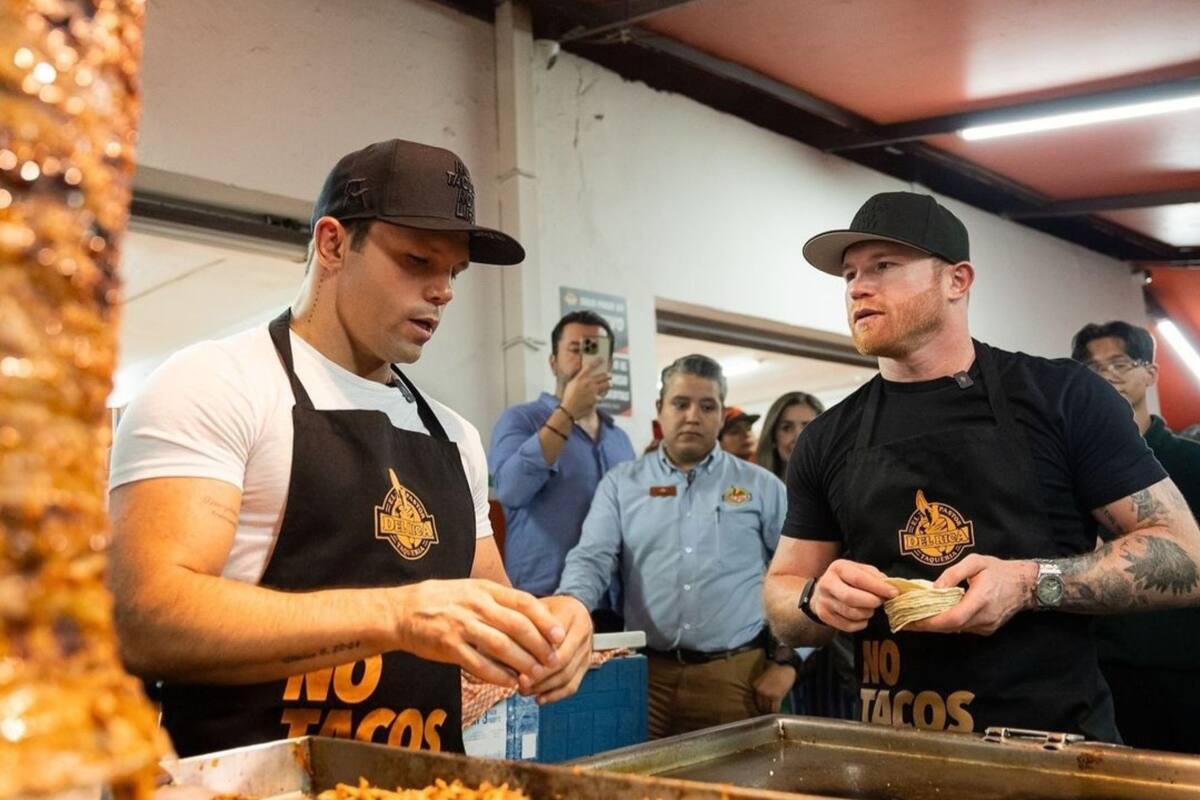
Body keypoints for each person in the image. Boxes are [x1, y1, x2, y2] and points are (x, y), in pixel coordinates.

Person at [107, 139, 593, 757]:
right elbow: (145, 619)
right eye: (417, 260)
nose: (442, 291)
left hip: (421, 788)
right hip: (256, 790)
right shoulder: (218, 384)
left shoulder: (453, 437)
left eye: (453, 272)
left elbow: (494, 610)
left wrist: (556, 624)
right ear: (333, 244)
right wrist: (395, 618)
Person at [763, 191, 1200, 742]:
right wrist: (814, 599)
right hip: (894, 749)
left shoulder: (1061, 397)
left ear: (957, 280)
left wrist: (1030, 582)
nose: (857, 287)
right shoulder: (827, 438)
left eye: (884, 266)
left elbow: (1185, 556)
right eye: (849, 274)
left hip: (1052, 748)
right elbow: (782, 591)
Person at [557, 355, 796, 738]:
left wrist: (789, 662)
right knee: (639, 775)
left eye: (707, 406)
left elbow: (798, 574)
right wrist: (570, 603)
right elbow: (592, 557)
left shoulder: (762, 487)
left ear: (722, 414)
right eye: (681, 404)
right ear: (660, 410)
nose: (692, 417)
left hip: (734, 678)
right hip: (643, 678)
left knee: (733, 777)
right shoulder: (621, 484)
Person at [1072, 320, 1200, 752]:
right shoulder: (1072, 470)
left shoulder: (1192, 461)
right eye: (1092, 368)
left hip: (1187, 666)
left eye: (1120, 363)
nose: (1107, 375)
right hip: (1106, 669)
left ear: (1151, 373)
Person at [488, 311, 636, 632]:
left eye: (595, 350)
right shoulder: (521, 420)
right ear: (553, 362)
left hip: (612, 604)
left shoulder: (620, 439)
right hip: (541, 600)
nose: (585, 360)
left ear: (610, 366)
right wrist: (568, 411)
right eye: (575, 349)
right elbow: (510, 491)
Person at [755, 392, 826, 479]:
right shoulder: (756, 484)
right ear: (773, 438)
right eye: (787, 428)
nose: (798, 437)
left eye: (809, 427)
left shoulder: (839, 482)